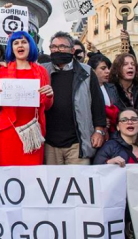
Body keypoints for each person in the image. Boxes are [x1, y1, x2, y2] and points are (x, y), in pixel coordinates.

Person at [0, 31, 53, 166]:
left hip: (34, 131)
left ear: (30, 46)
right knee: (9, 173)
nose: (20, 45)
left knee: (33, 175)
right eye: (16, 43)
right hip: (9, 131)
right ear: (11, 48)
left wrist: (49, 95)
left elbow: (47, 106)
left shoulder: (41, 71)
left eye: (24, 42)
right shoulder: (2, 71)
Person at [42, 31, 106, 165]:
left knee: (79, 184)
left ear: (72, 50)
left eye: (61, 47)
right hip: (49, 143)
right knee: (53, 184)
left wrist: (99, 130)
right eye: (53, 47)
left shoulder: (87, 72)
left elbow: (97, 104)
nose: (57, 50)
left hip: (78, 143)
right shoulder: (41, 71)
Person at [93, 108, 138, 239]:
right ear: (118, 126)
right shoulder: (111, 146)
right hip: (121, 199)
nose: (129, 122)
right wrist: (108, 163)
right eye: (124, 120)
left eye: (134, 119)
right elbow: (94, 171)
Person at [87, 54, 119, 136]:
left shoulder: (112, 88)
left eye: (108, 68)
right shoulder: (86, 90)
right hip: (93, 133)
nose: (108, 71)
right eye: (103, 68)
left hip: (113, 132)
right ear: (92, 70)